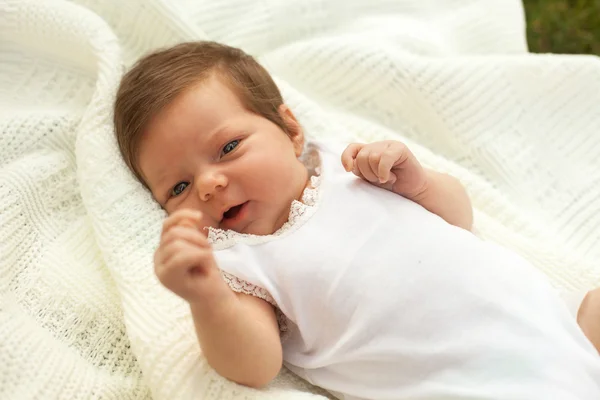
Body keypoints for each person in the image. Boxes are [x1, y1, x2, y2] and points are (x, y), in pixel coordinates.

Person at [113, 41, 600, 399]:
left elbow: (459, 218)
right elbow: (256, 366)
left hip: (558, 327)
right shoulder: (237, 262)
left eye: (228, 148)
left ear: (289, 129)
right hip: (456, 384)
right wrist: (207, 298)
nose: (207, 185)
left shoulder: (350, 165)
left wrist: (420, 184)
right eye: (178, 188)